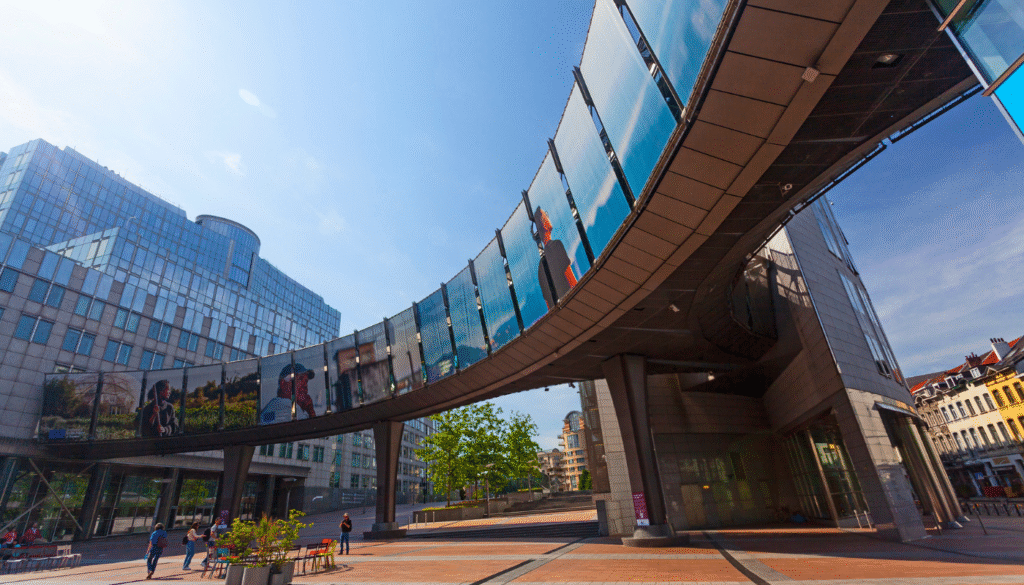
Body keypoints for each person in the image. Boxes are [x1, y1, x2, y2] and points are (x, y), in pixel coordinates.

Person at [533, 207, 577, 309]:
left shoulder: (541, 266)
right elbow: (571, 279)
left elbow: (548, 304)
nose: (548, 218)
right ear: (543, 223)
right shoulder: (556, 245)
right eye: (546, 215)